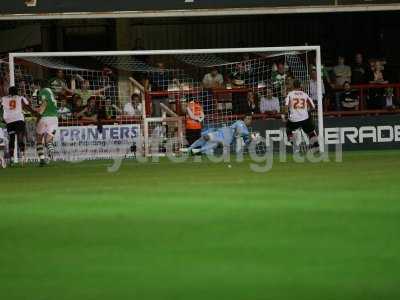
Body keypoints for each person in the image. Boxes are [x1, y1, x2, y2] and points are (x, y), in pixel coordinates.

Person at [0, 86, 36, 165]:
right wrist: (33, 112)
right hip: (18, 119)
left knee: (11, 138)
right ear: (17, 91)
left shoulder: (4, 98)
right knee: (20, 137)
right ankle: (23, 156)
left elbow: (1, 106)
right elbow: (27, 104)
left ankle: (11, 159)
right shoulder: (20, 98)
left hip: (9, 120)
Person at [185, 115, 253, 155]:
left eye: (250, 119)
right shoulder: (240, 122)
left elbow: (245, 141)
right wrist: (249, 135)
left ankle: (198, 151)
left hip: (227, 139)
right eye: (248, 118)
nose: (249, 120)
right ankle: (190, 148)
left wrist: (250, 138)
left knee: (216, 144)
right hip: (222, 133)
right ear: (244, 119)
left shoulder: (247, 131)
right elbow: (239, 131)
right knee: (205, 137)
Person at [284, 80, 319, 152]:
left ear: (293, 86)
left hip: (294, 119)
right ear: (300, 86)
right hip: (305, 119)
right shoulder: (305, 94)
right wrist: (307, 111)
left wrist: (285, 115)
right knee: (311, 132)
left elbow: (286, 106)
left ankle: (293, 142)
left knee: (288, 129)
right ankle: (316, 146)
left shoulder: (290, 94)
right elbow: (313, 107)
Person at [35, 81, 59, 166]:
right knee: (48, 140)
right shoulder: (51, 92)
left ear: (38, 85)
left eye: (35, 86)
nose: (35, 88)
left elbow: (44, 103)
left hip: (45, 118)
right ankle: (51, 153)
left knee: (39, 138)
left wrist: (39, 114)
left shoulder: (43, 91)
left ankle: (42, 159)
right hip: (55, 119)